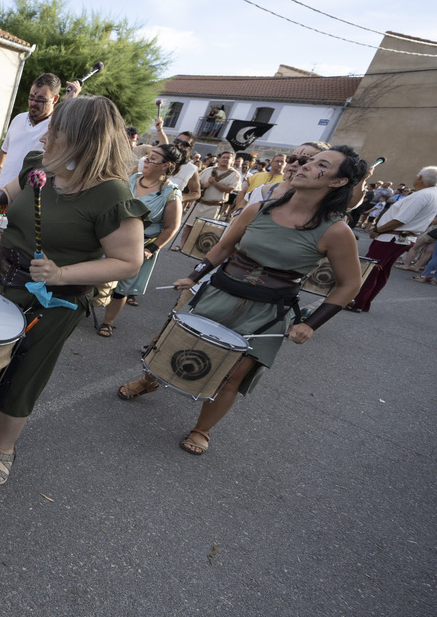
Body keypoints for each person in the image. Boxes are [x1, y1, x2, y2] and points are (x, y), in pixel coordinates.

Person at [118, 147, 368, 455]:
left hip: (268, 310)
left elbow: (349, 285)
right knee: (169, 341)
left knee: (233, 374)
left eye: (320, 165)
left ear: (338, 182)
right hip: (221, 290)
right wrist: (194, 277)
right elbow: (224, 247)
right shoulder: (259, 209)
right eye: (306, 160)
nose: (304, 165)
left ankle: (202, 429)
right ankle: (150, 380)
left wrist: (310, 324)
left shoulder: (336, 230)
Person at [0, 96, 147, 485]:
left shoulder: (112, 194)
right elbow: (11, 193)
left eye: (58, 129)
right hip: (3, 279)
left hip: (50, 303)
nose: (47, 133)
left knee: (24, 374)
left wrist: (60, 273)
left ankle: (5, 448)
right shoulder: (41, 165)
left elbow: (128, 261)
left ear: (83, 139)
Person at [97, 143, 185, 336]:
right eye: (147, 156)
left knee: (122, 287)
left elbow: (171, 227)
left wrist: (151, 249)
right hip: (110, 236)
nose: (146, 160)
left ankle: (108, 322)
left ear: (166, 166)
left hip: (141, 245)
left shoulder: (172, 194)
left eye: (153, 158)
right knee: (95, 273)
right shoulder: (132, 177)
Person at [348, 166, 437, 312]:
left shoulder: (421, 195)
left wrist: (377, 230)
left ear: (419, 178)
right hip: (400, 237)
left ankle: (356, 302)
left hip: (392, 237)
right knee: (382, 271)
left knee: (371, 270)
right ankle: (364, 302)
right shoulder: (432, 193)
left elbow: (401, 219)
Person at [0, 72, 80, 189]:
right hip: (1, 193)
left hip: (29, 197)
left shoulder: (57, 125)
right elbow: (4, 152)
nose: (33, 103)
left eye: (40, 99)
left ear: (55, 99)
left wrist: (69, 103)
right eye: (31, 97)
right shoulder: (18, 119)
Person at [172, 148, 240, 250]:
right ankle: (181, 245)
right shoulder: (209, 170)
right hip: (200, 202)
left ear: (232, 161)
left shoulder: (234, 175)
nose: (225, 159)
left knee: (207, 229)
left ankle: (196, 249)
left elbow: (230, 189)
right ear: (219, 159)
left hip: (215, 205)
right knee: (189, 226)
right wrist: (204, 185)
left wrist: (215, 183)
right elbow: (196, 183)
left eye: (228, 158)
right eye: (223, 157)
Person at [244, 143, 326, 207]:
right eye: (292, 159)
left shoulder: (319, 205)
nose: (294, 164)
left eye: (304, 161)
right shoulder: (262, 191)